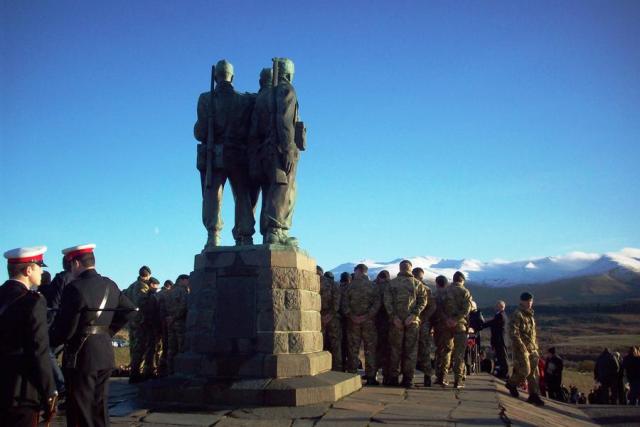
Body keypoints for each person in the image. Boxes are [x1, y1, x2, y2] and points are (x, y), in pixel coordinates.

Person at [50, 244, 135, 427]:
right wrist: (107, 331)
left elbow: (66, 328)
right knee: (99, 408)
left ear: (75, 263)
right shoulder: (110, 284)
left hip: (81, 355)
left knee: (80, 409)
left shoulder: (74, 288)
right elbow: (130, 310)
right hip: (104, 352)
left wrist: (51, 342)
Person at [194, 59, 259, 248]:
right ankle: (245, 235)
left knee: (212, 195)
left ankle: (213, 235)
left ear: (215, 77)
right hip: (238, 154)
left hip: (214, 154)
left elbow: (200, 131)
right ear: (233, 77)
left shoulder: (205, 98)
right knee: (243, 196)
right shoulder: (245, 99)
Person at [248, 57, 304, 245]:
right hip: (279, 150)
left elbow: (254, 129)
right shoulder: (286, 90)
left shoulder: (263, 96)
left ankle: (269, 232)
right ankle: (275, 230)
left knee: (269, 190)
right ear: (289, 73)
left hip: (263, 151)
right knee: (283, 188)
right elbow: (285, 121)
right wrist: (288, 149)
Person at [1, 246, 57, 427]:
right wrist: (49, 392)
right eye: (39, 266)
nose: (42, 271)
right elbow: (39, 350)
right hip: (21, 390)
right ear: (28, 270)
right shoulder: (33, 301)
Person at [383, 260, 427, 388]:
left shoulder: (391, 284)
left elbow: (387, 301)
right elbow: (423, 301)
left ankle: (393, 378)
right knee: (411, 351)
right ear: (410, 269)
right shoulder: (418, 284)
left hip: (396, 322)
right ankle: (408, 379)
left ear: (400, 268)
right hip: (412, 322)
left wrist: (393, 317)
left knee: (395, 350)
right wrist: (414, 315)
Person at [342, 264, 380, 385]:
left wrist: (352, 316)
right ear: (366, 272)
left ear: (357, 271)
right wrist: (367, 316)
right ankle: (371, 377)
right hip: (369, 322)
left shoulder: (350, 286)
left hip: (353, 322)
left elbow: (344, 303)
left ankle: (352, 376)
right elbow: (377, 303)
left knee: (353, 349)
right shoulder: (373, 286)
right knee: (370, 350)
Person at [505, 292, 544, 406]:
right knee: (525, 370)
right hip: (521, 348)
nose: (530, 303)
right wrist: (521, 346)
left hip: (532, 348)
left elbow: (532, 334)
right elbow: (513, 332)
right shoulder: (518, 314)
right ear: (522, 301)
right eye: (527, 301)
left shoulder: (530, 315)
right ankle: (512, 383)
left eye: (531, 301)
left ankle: (534, 395)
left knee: (534, 373)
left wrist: (535, 347)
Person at [442, 271, 473, 389]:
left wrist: (447, 319)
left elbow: (440, 307)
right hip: (460, 326)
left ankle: (442, 377)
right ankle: (458, 380)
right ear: (462, 280)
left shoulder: (445, 291)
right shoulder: (465, 292)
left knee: (446, 351)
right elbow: (467, 310)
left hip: (446, 325)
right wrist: (456, 320)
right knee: (459, 354)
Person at [124, 265, 153, 383]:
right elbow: (143, 304)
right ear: (148, 275)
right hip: (140, 322)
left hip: (132, 321)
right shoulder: (143, 287)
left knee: (133, 347)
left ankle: (134, 371)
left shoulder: (131, 286)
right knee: (139, 348)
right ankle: (135, 374)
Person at [413, 267, 436, 387]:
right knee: (424, 351)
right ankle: (427, 376)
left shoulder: (412, 288)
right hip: (423, 323)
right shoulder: (427, 289)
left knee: (411, 349)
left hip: (412, 322)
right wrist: (425, 319)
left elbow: (432, 307)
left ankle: (409, 377)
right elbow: (432, 307)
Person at [165, 274, 190, 374]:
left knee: (171, 348)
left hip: (170, 322)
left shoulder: (168, 291)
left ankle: (170, 371)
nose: (189, 283)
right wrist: (175, 317)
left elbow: (165, 307)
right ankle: (180, 371)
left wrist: (169, 318)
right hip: (179, 322)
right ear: (182, 280)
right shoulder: (182, 291)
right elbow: (184, 306)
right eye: (188, 281)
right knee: (182, 348)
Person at [319, 267, 342, 371]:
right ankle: (337, 368)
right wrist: (331, 315)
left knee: (319, 344)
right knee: (335, 345)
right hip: (332, 317)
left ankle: (321, 367)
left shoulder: (312, 282)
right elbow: (337, 301)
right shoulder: (334, 284)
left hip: (317, 317)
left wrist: (321, 316)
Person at [373, 270, 391, 384]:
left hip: (376, 321)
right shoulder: (392, 286)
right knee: (388, 350)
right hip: (390, 322)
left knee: (375, 349)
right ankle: (387, 376)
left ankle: (373, 374)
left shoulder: (376, 287)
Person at [433, 275, 452, 386]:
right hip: (448, 327)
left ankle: (437, 375)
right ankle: (443, 376)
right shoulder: (450, 295)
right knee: (447, 351)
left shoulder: (434, 295)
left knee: (438, 350)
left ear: (437, 283)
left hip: (437, 326)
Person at [482, 300, 509, 379]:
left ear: (501, 306)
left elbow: (492, 323)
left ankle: (505, 373)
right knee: (500, 357)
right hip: (499, 340)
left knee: (503, 357)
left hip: (500, 340)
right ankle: (501, 372)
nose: (495, 307)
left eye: (497, 306)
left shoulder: (501, 315)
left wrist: (482, 325)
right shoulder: (500, 315)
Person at [155, 280, 173, 376]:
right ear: (169, 286)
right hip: (164, 323)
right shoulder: (167, 294)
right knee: (165, 346)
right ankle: (162, 368)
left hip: (156, 323)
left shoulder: (158, 294)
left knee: (157, 347)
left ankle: (157, 367)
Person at [338, 272, 351, 370]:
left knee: (340, 344)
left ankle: (340, 366)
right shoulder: (351, 288)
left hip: (338, 320)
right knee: (350, 345)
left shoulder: (337, 288)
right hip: (350, 320)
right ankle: (350, 366)